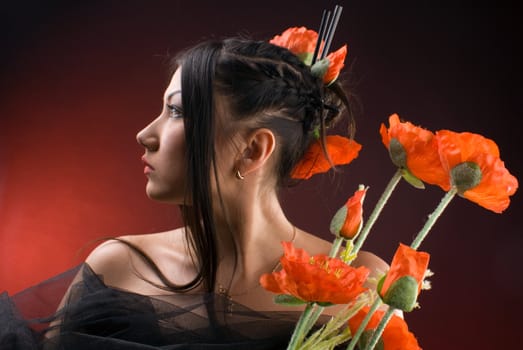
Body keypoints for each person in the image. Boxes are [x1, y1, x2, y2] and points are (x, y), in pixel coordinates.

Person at [0, 29, 388, 349]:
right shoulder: (116, 268)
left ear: (253, 150)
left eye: (177, 111)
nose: (144, 135)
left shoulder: (362, 283)